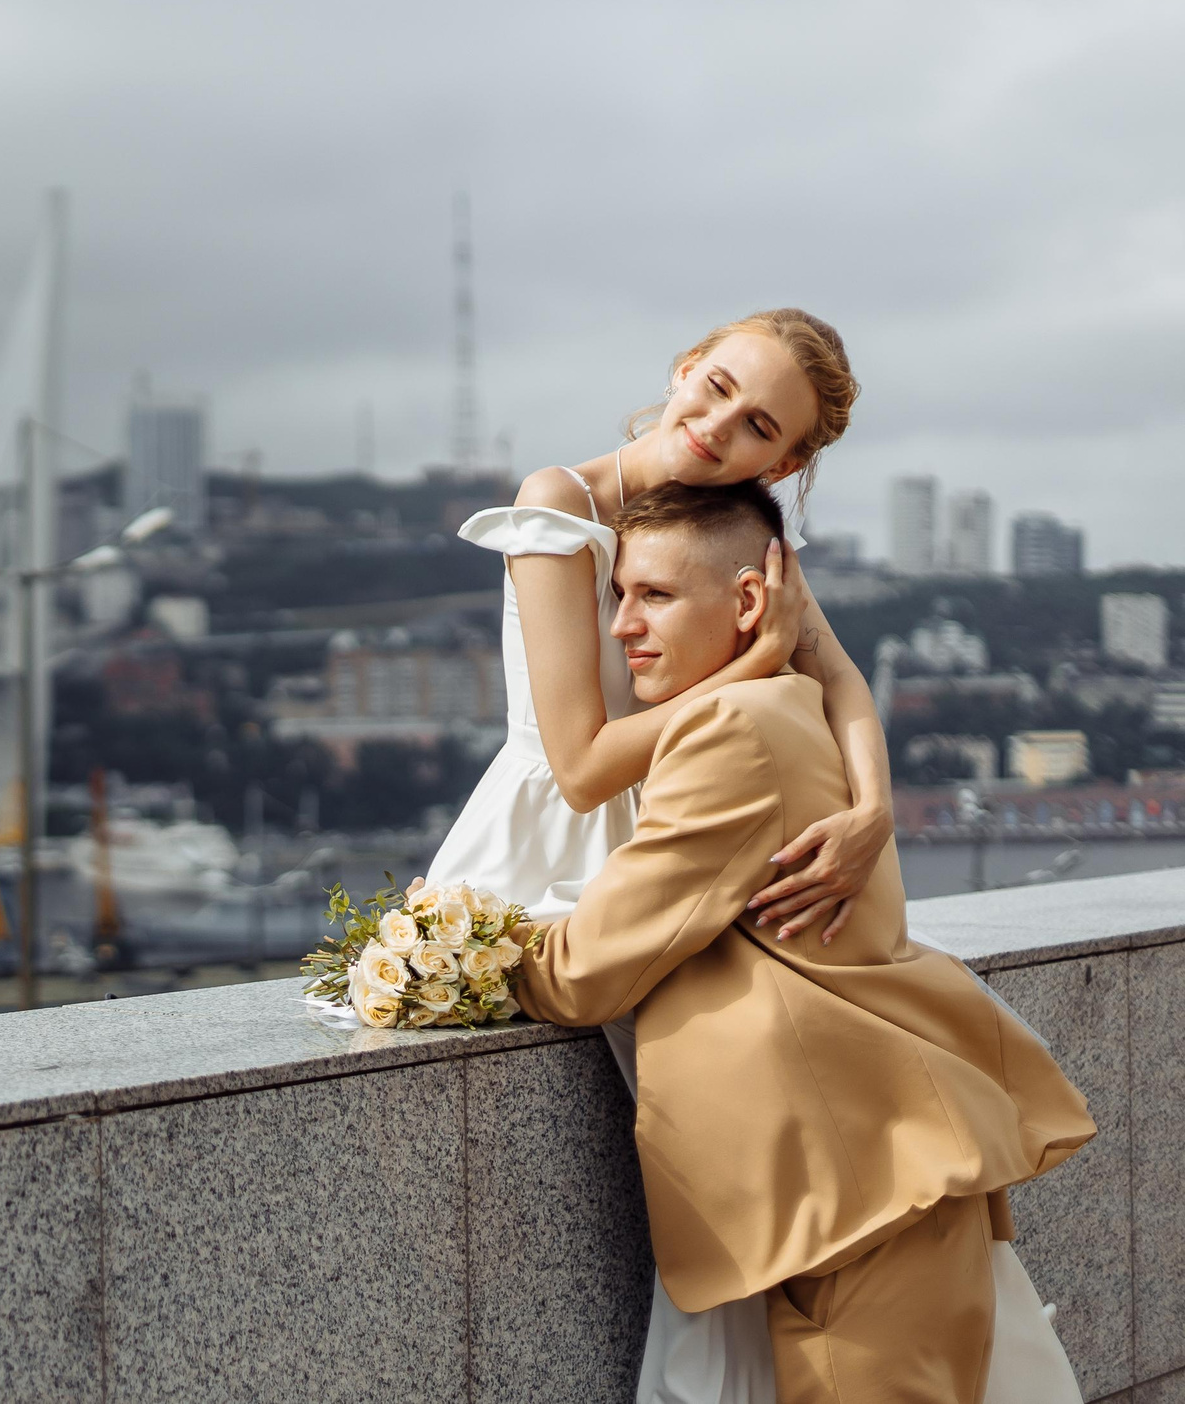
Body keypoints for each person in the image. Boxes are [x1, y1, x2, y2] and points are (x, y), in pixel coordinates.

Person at [503, 481, 1093, 1403]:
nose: (621, 625)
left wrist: (453, 948)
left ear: (748, 600)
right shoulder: (788, 703)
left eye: (653, 594)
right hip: (860, 1179)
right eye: (619, 594)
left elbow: (583, 974)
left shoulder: (731, 731)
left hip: (857, 1194)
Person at [424, 308, 880, 1400]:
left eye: (757, 423)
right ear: (682, 368)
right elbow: (580, 764)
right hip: (567, 856)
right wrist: (753, 665)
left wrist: (871, 814)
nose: (717, 425)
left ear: (789, 460)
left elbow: (845, 684)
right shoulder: (557, 505)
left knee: (737, 1157)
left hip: (690, 841)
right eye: (714, 385)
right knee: (707, 1166)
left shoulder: (742, 528)